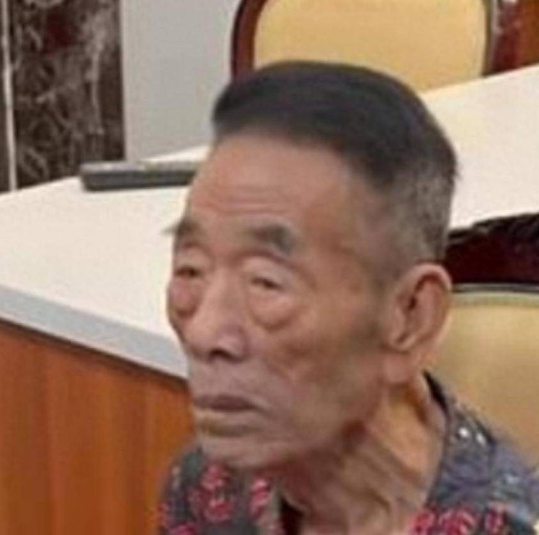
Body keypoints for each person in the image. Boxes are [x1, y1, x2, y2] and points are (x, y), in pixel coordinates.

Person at [158, 62, 539, 535]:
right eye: (191, 269)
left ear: (409, 317)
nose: (203, 332)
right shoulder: (211, 489)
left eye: (265, 282)